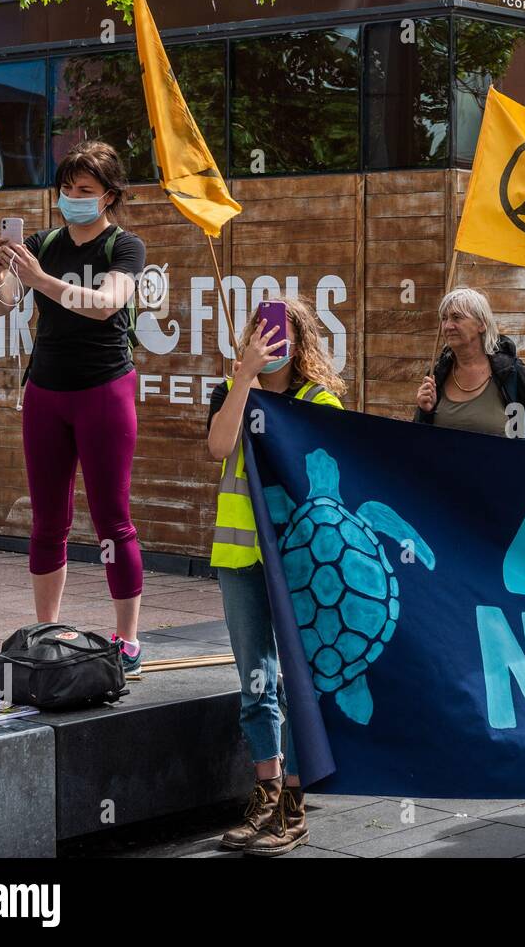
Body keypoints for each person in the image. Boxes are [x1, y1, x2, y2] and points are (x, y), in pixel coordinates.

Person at [0, 140, 147, 673]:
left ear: (108, 197)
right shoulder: (42, 241)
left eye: (85, 191)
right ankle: (45, 629)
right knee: (47, 520)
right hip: (46, 393)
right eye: (66, 189)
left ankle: (127, 640)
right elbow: (0, 303)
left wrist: (39, 280)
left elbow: (105, 306)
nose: (72, 199)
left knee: (111, 520)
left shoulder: (124, 247)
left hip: (104, 390)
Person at [206, 298, 346, 856]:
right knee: (255, 680)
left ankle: (293, 804)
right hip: (240, 557)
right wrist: (242, 380)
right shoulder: (231, 388)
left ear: (300, 339)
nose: (268, 339)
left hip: (297, 562)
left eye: (279, 331)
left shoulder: (319, 400)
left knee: (295, 680)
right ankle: (265, 790)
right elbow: (219, 446)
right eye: (259, 329)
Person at [416, 288, 525, 437]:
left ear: (481, 324)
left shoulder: (509, 372)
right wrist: (424, 412)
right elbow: (420, 440)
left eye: (456, 317)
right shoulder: (438, 374)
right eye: (444, 318)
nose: (448, 326)